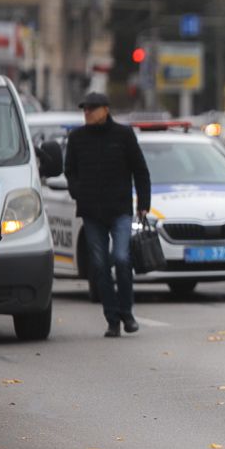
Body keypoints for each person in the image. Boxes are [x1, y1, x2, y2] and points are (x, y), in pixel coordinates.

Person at [65, 92, 151, 337]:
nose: (87, 113)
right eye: (85, 109)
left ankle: (128, 313)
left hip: (120, 210)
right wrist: (77, 192)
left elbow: (140, 171)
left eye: (92, 108)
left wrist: (144, 203)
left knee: (122, 259)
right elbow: (69, 170)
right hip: (91, 212)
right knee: (100, 266)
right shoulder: (77, 138)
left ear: (105, 110)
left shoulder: (123, 136)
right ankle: (112, 319)